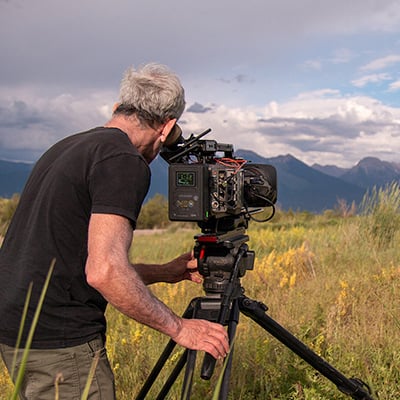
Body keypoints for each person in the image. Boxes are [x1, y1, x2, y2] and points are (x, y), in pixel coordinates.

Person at [0, 63, 229, 399]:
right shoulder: (122, 160)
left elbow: (77, 262)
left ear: (117, 108)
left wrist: (167, 272)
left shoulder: (68, 147)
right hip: (62, 341)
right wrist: (179, 328)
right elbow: (104, 272)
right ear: (167, 128)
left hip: (17, 330)